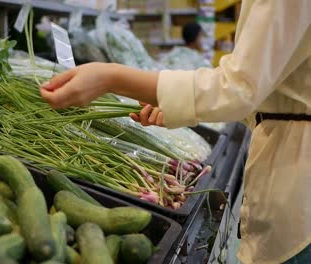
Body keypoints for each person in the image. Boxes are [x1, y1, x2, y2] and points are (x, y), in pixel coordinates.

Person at [40, 1, 310, 263]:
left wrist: (112, 78)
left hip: (297, 190)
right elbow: (266, 90)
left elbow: (238, 89)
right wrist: (176, 105)